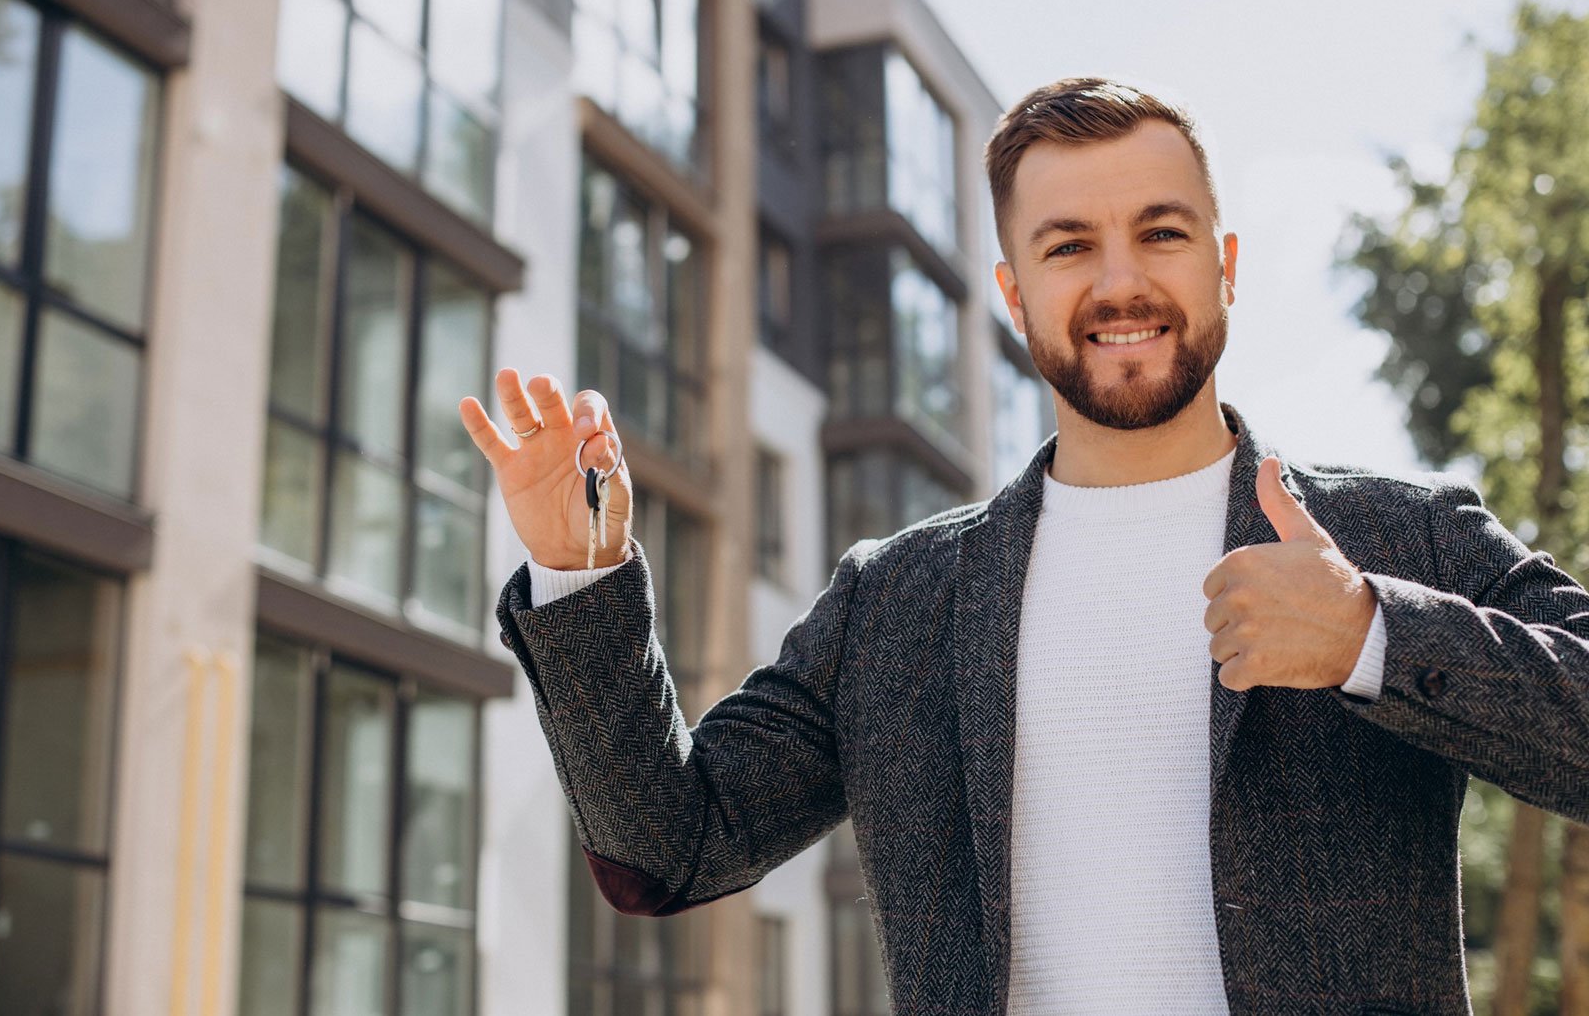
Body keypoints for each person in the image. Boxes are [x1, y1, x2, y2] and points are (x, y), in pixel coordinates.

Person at [457, 79, 1589, 1016]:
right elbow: (673, 848)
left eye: (1160, 231)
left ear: (1225, 264)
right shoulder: (895, 601)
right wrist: (580, 576)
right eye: (1067, 246)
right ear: (1012, 295)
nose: (1119, 281)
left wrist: (1371, 635)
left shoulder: (1403, 538)